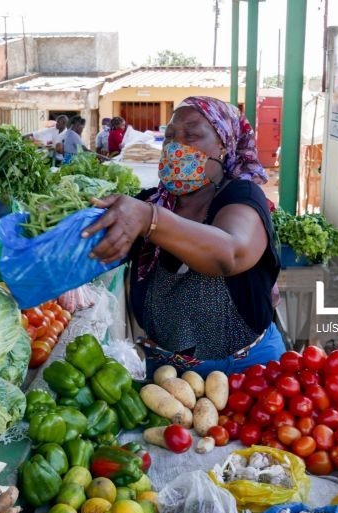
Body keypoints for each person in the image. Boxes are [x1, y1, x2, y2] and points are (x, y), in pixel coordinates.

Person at [82, 96, 283, 378]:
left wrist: (151, 219)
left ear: (223, 145)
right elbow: (94, 239)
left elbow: (230, 253)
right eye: (170, 136)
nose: (176, 146)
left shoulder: (242, 196)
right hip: (168, 377)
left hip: (247, 374)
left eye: (192, 135)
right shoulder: (154, 201)